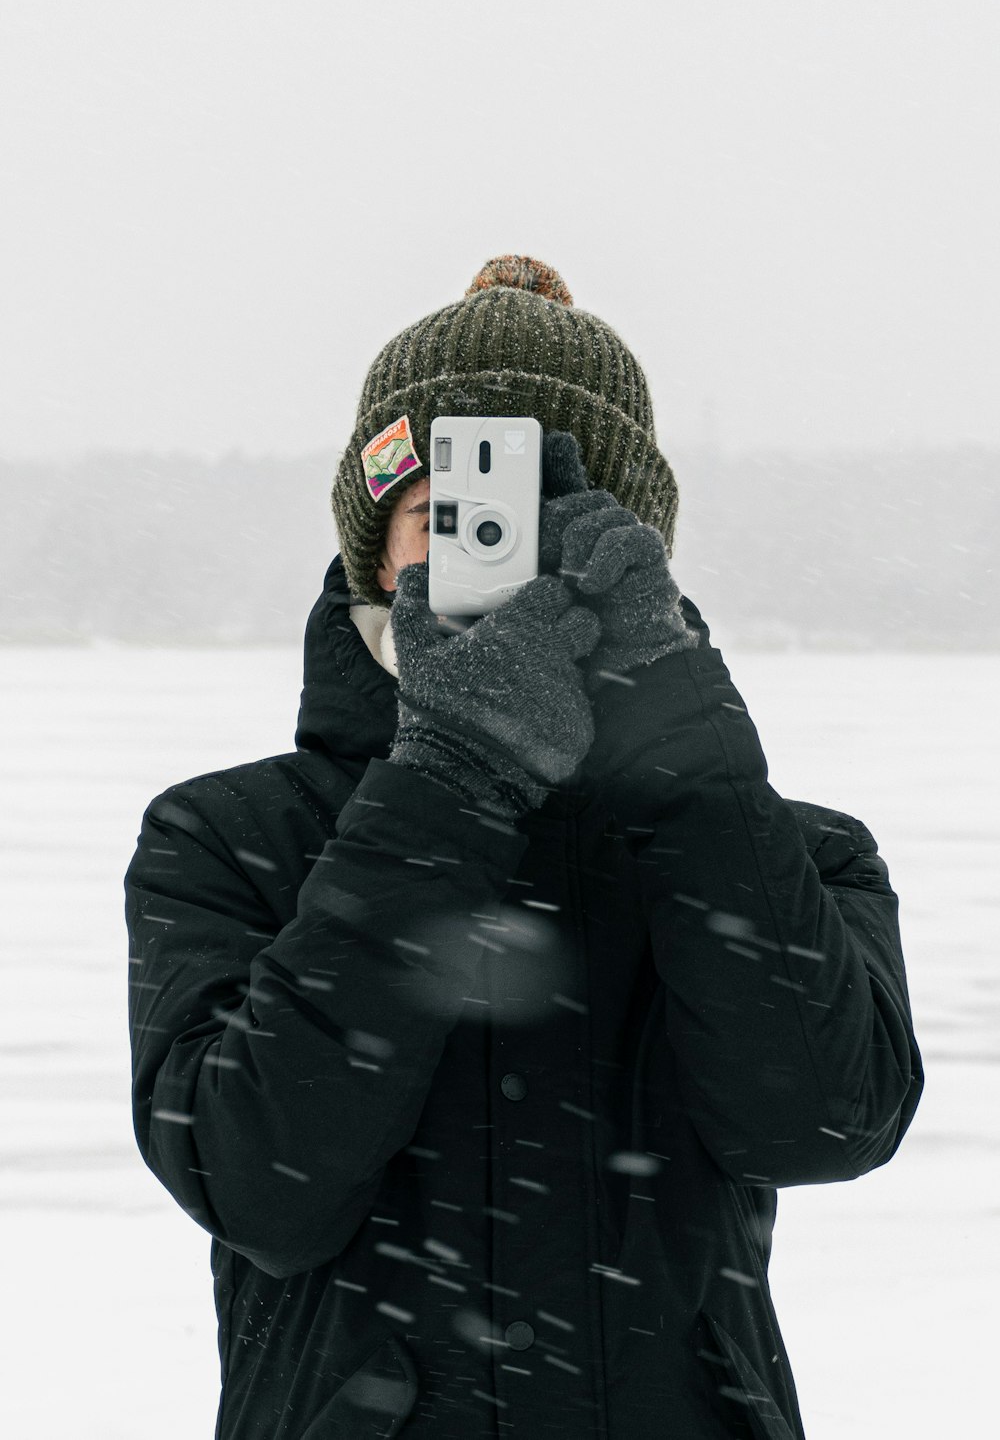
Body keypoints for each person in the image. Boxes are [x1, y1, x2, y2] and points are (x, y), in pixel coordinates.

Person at [126, 254, 923, 1439]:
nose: (494, 557)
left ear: (634, 551)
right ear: (376, 552)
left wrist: (681, 746)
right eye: (446, 518)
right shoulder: (228, 837)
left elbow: (821, 1126)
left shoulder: (790, 848)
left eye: (551, 521)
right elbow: (257, 1183)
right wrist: (447, 780)